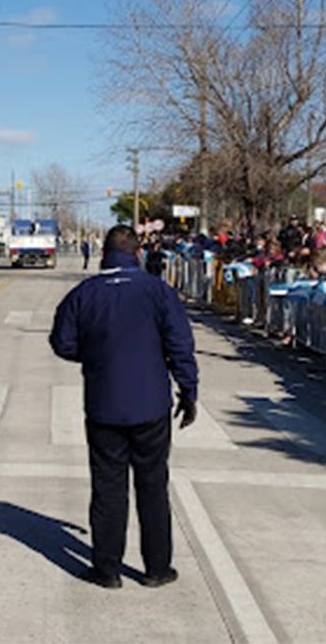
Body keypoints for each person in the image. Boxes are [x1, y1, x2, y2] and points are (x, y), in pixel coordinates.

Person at [48, 224, 199, 590]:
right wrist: (188, 390)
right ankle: (157, 568)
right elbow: (180, 344)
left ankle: (107, 568)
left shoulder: (85, 293)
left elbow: (62, 341)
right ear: (137, 253)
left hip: (104, 404)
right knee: (152, 485)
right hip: (151, 404)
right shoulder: (158, 292)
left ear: (104, 255)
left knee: (108, 487)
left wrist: (96, 356)